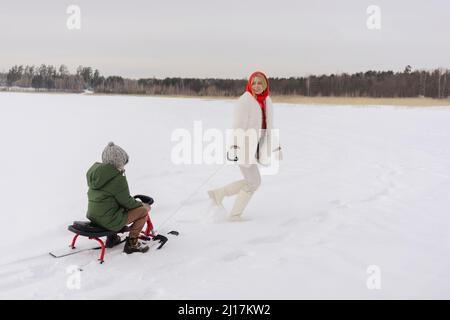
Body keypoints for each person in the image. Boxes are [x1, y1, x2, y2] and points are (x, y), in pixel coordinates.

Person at [208, 71, 282, 221]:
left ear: (265, 84)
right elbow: (237, 126)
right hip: (244, 146)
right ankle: (234, 214)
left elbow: (270, 126)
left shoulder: (267, 100)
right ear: (249, 84)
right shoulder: (245, 101)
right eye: (253, 83)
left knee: (252, 181)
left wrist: (276, 146)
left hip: (257, 147)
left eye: (260, 82)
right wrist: (234, 147)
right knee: (254, 182)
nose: (256, 86)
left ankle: (219, 194)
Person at [86, 142, 150, 254]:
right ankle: (132, 244)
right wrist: (142, 205)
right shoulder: (117, 178)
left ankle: (112, 238)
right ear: (119, 161)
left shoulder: (96, 174)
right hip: (109, 221)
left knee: (110, 206)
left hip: (94, 217)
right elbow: (127, 202)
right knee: (143, 212)